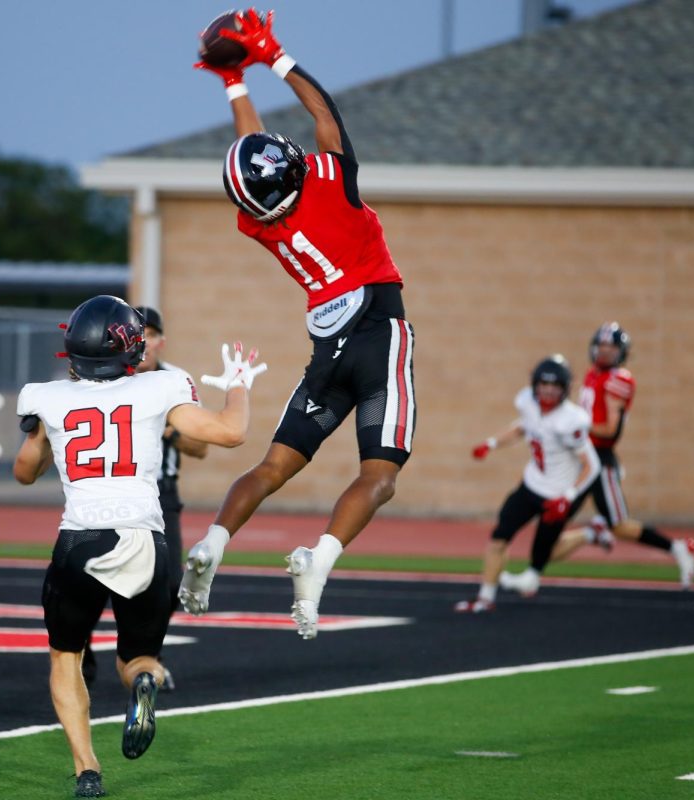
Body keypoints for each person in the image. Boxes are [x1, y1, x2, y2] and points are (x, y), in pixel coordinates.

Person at [180, 9, 416, 640]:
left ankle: (214, 540)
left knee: (270, 468)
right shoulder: (328, 182)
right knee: (379, 475)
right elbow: (327, 116)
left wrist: (233, 82)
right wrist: (271, 54)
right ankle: (321, 558)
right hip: (378, 330)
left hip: (327, 350)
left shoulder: (259, 222)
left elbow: (248, 152)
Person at [13, 295, 264, 797]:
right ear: (131, 347)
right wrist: (239, 384)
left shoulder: (46, 396)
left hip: (79, 540)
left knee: (65, 656)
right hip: (146, 538)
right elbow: (231, 433)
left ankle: (87, 769)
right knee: (139, 657)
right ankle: (145, 681)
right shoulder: (161, 386)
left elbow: (23, 472)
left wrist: (48, 439)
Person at [79, 306, 207, 691]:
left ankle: (148, 655)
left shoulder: (174, 380)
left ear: (161, 341)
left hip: (160, 493)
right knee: (91, 575)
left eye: (151, 334)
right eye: (139, 333)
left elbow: (200, 447)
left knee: (168, 581)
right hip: (110, 488)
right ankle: (80, 644)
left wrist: (169, 428)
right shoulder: (107, 372)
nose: (145, 341)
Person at [527, 323, 694, 587]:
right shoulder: (591, 374)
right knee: (551, 528)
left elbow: (609, 431)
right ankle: (583, 539)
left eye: (611, 348)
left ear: (622, 352)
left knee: (618, 524)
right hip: (579, 459)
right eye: (602, 346)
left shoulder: (619, 379)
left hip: (598, 461)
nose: (605, 352)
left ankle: (676, 548)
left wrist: (572, 427)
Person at [457, 355, 599, 612]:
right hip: (532, 484)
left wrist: (568, 496)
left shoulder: (572, 420)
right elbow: (523, 427)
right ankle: (485, 599)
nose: (548, 390)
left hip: (557, 494)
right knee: (499, 537)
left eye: (555, 386)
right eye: (544, 384)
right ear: (535, 384)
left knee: (545, 553)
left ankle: (590, 533)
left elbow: (592, 466)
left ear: (565, 389)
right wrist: (491, 443)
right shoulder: (527, 402)